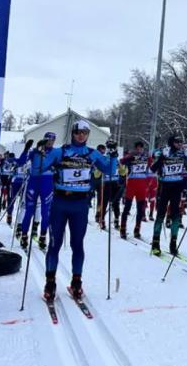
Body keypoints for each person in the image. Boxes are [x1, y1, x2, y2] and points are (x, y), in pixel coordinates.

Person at [39, 120, 118, 300]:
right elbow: (37, 170)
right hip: (60, 202)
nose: (80, 135)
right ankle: (50, 283)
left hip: (80, 205)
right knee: (54, 244)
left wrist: (113, 155)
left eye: (84, 132)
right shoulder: (61, 152)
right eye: (77, 132)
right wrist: (40, 153)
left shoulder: (93, 153)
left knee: (77, 244)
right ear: (72, 133)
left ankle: (76, 282)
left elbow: (110, 171)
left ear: (88, 135)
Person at [149, 133, 187, 256]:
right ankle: (155, 242)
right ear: (171, 143)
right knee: (161, 214)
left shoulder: (183, 153)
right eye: (177, 142)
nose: (179, 144)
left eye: (180, 142)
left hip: (177, 187)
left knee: (175, 215)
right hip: (164, 187)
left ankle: (173, 243)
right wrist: (162, 157)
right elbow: (153, 168)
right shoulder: (164, 151)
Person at [19, 133, 57, 250]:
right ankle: (24, 235)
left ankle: (42, 236)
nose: (50, 142)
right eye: (48, 139)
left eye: (52, 140)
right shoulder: (35, 151)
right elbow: (20, 162)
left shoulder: (56, 152)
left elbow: (61, 167)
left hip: (47, 184)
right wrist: (26, 150)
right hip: (34, 182)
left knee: (46, 213)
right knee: (29, 210)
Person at [120, 141, 151, 239]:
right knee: (127, 208)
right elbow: (121, 161)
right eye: (137, 148)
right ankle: (123, 229)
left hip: (142, 186)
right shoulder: (131, 156)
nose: (139, 150)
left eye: (141, 148)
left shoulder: (146, 157)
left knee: (140, 210)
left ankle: (137, 229)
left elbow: (152, 166)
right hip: (131, 185)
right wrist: (130, 157)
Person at [95, 140, 121, 231]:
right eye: (110, 148)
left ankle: (117, 220)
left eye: (113, 148)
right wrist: (99, 170)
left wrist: (123, 168)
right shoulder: (104, 158)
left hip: (115, 183)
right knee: (104, 202)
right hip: (106, 183)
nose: (112, 150)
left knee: (116, 203)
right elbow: (96, 174)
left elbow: (122, 172)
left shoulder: (116, 159)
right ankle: (101, 219)